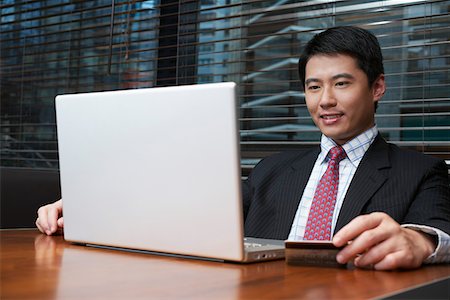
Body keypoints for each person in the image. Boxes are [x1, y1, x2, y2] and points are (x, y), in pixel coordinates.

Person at [36, 26, 450, 270]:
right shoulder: (272, 168)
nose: (325, 100)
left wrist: (420, 242)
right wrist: (88, 207)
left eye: (341, 83)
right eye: (313, 86)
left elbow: (437, 230)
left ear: (377, 87)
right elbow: (189, 211)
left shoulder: (419, 170)